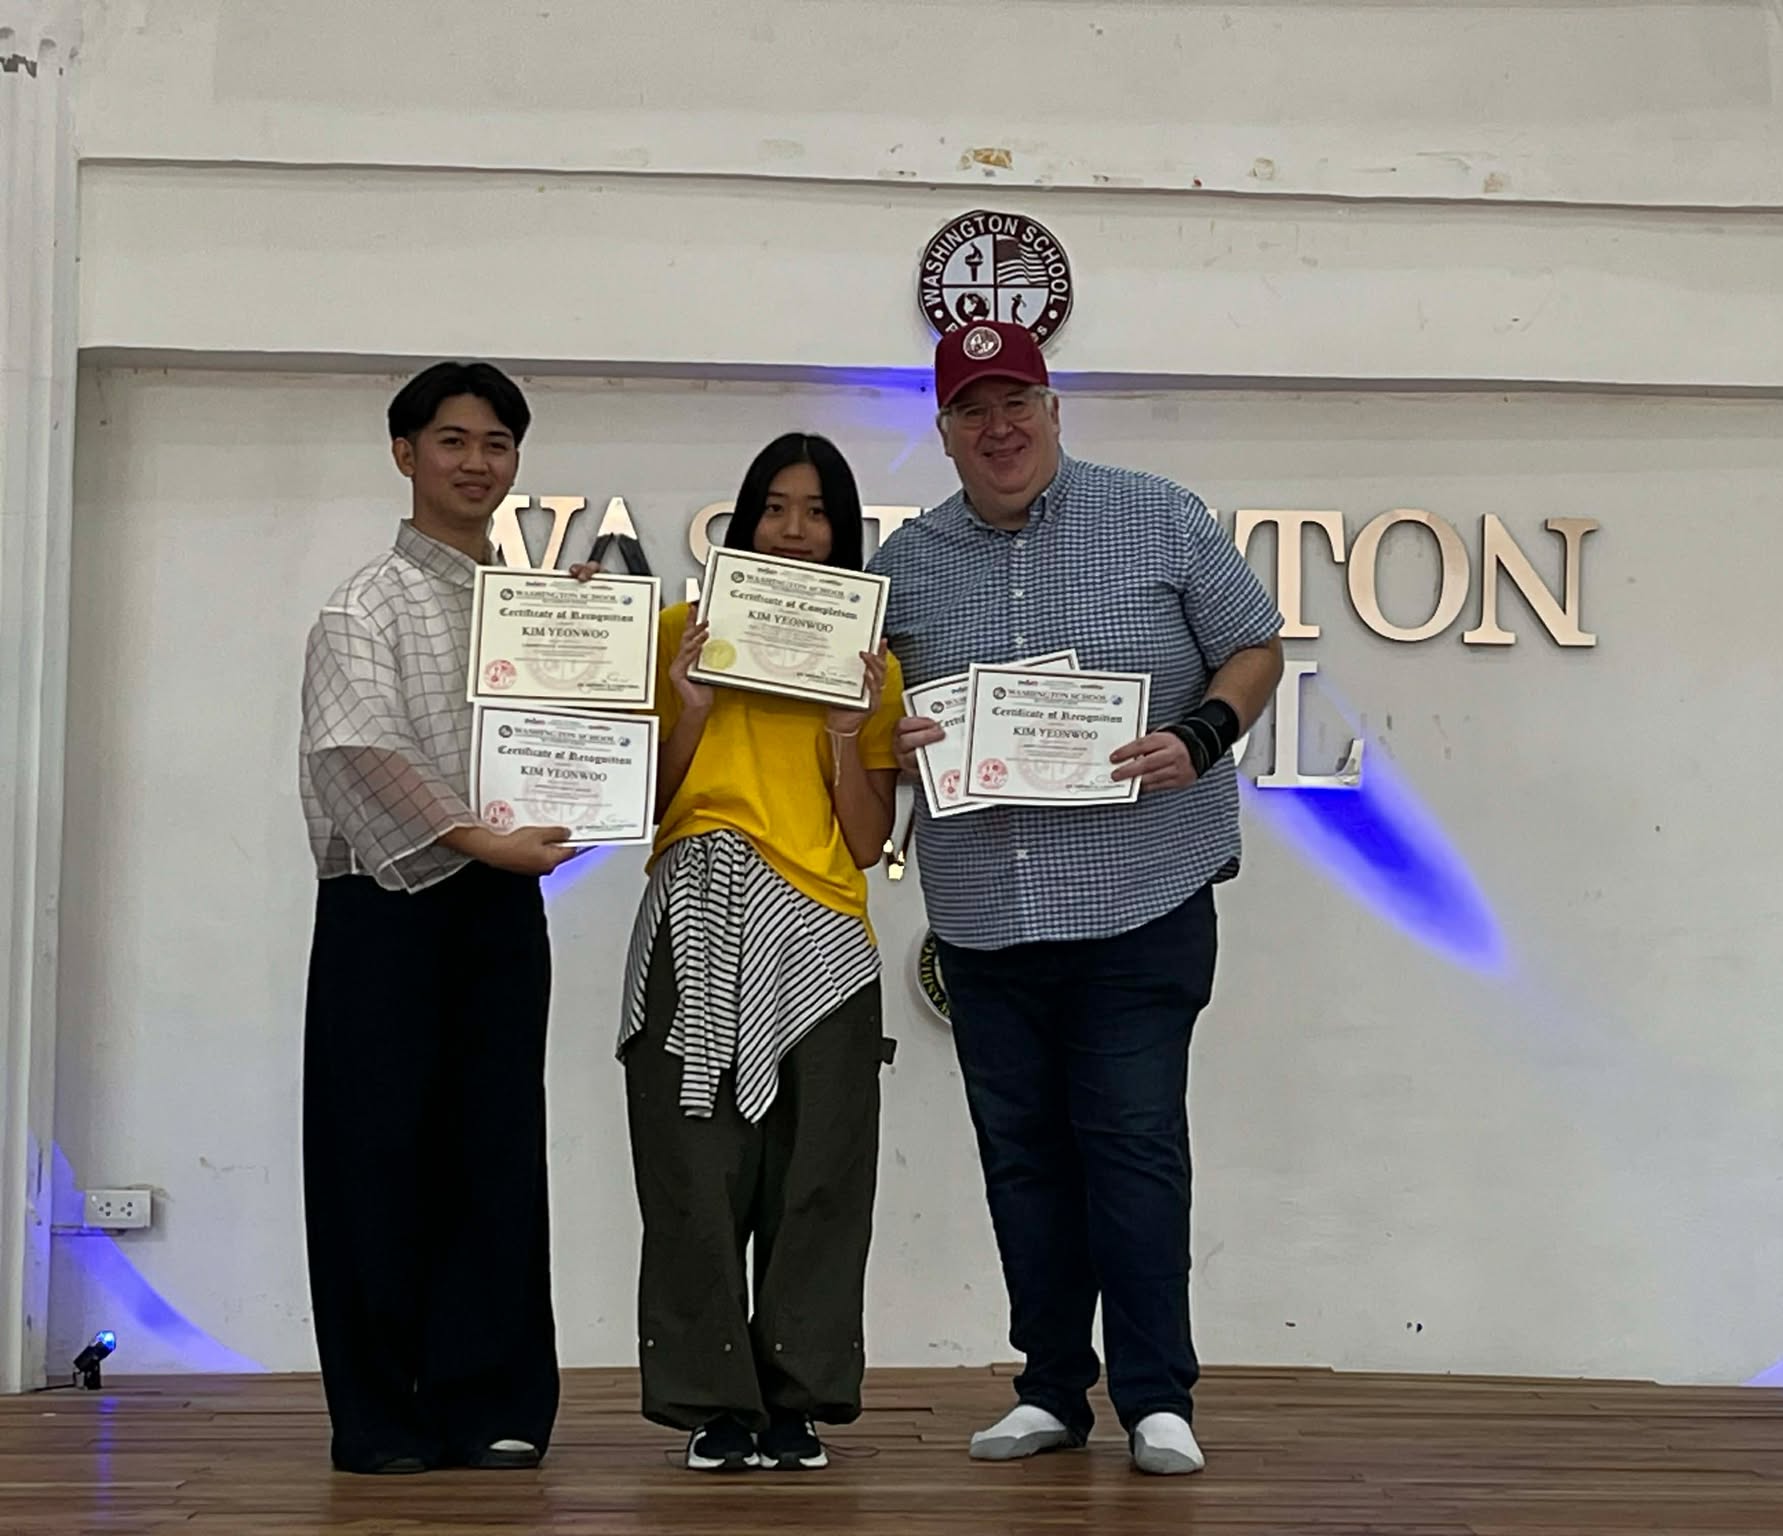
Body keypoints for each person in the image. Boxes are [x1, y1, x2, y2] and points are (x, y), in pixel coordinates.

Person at [871, 322, 1285, 1477]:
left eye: (1017, 403)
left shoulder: (1157, 515)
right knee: (1021, 1162)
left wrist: (1200, 734)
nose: (997, 428)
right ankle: (1050, 1389)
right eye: (971, 410)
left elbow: (1254, 647)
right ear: (942, 431)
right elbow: (872, 724)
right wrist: (888, 742)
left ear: (1054, 411)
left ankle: (1157, 1397)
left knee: (1133, 1147)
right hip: (985, 913)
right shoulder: (903, 565)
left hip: (1140, 898)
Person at [297, 361, 575, 1475]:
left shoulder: (541, 611)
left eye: (497, 443)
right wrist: (480, 840)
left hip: (500, 911)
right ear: (404, 453)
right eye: (453, 440)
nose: (476, 462)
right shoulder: (364, 603)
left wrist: (595, 662)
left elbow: (584, 739)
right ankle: (381, 1417)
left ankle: (494, 1403)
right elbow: (357, 748)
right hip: (385, 913)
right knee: (374, 1155)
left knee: (497, 1149)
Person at [609, 432, 904, 1474]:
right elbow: (634, 803)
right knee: (692, 1171)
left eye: (816, 512)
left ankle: (797, 1401)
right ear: (743, 521)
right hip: (693, 907)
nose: (793, 530)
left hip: (823, 933)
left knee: (818, 1173)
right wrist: (687, 707)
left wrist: (845, 729)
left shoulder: (873, 666)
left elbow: (865, 840)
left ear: (843, 531)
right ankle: (710, 1403)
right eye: (775, 507)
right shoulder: (680, 634)